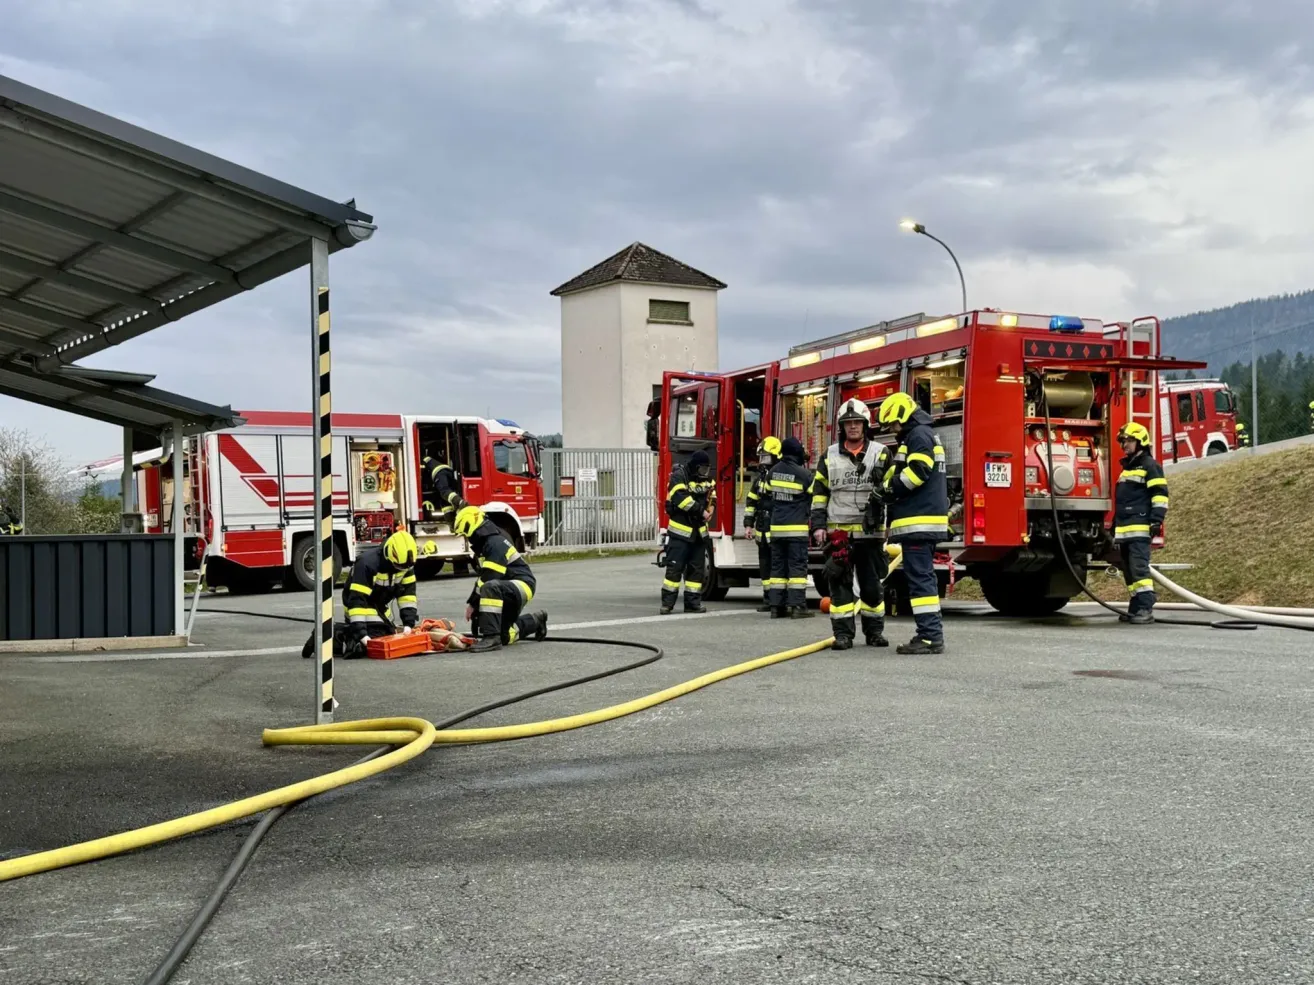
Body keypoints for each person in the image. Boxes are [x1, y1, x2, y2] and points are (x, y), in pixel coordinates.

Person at [810, 398, 892, 649]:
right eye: (848, 423)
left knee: (871, 587)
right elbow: (819, 493)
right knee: (840, 587)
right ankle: (843, 635)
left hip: (871, 534)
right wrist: (819, 526)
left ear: (865, 425)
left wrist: (890, 523)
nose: (853, 427)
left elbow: (892, 490)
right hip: (839, 535)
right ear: (842, 427)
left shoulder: (882, 453)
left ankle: (874, 633)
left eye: (857, 422)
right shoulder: (830, 455)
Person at [875, 392, 949, 654]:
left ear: (903, 416)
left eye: (893, 424)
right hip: (921, 520)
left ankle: (929, 637)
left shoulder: (918, 435)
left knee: (920, 580)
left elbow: (918, 473)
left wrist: (889, 490)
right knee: (922, 578)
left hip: (919, 522)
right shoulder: (918, 435)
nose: (892, 430)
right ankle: (929, 634)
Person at [303, 529, 421, 659]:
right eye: (398, 566)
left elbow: (407, 596)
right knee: (367, 644)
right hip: (358, 607)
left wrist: (408, 625)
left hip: (379, 608)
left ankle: (349, 635)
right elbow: (357, 601)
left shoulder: (406, 565)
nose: (400, 570)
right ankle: (329, 634)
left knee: (387, 635)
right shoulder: (367, 564)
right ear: (389, 554)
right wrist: (362, 635)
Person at [454, 504, 548, 652]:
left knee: (490, 587)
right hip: (508, 586)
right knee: (505, 636)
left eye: (466, 534)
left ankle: (491, 637)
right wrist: (478, 609)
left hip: (522, 584)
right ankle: (536, 620)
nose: (467, 539)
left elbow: (489, 578)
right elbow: (484, 577)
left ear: (472, 528)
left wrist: (474, 605)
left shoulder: (494, 543)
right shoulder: (486, 544)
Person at [1113, 421, 1169, 625]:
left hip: (1139, 528)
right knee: (1128, 570)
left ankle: (1146, 607)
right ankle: (1135, 607)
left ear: (1141, 441)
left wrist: (1156, 521)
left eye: (1129, 440)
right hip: (1126, 530)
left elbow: (1160, 495)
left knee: (1139, 569)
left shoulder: (1150, 466)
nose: (1125, 445)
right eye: (1123, 441)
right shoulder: (1128, 468)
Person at [661, 450, 715, 614]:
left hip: (698, 535)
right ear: (695, 466)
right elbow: (681, 499)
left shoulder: (706, 479)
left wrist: (711, 508)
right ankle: (667, 604)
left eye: (707, 469)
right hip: (680, 534)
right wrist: (701, 511)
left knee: (696, 572)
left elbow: (713, 494)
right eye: (702, 469)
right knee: (674, 570)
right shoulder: (679, 476)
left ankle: (692, 604)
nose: (704, 472)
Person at [767, 436, 815, 618]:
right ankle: (797, 607)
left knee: (777, 569)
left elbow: (768, 497)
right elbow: (815, 498)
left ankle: (776, 607)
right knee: (796, 569)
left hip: (776, 528)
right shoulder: (805, 475)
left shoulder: (772, 472)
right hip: (796, 529)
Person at [743, 436, 781, 613]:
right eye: (761, 457)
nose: (762, 461)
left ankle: (779, 600)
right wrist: (748, 525)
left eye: (766, 457)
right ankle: (768, 599)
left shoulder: (781, 476)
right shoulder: (760, 479)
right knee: (765, 567)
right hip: (762, 530)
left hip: (777, 529)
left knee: (778, 566)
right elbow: (751, 502)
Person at [421, 451, 465, 524]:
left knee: (444, 491)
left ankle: (459, 502)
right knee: (445, 500)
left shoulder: (422, 459)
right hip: (448, 471)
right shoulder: (433, 459)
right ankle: (452, 522)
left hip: (438, 472)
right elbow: (445, 506)